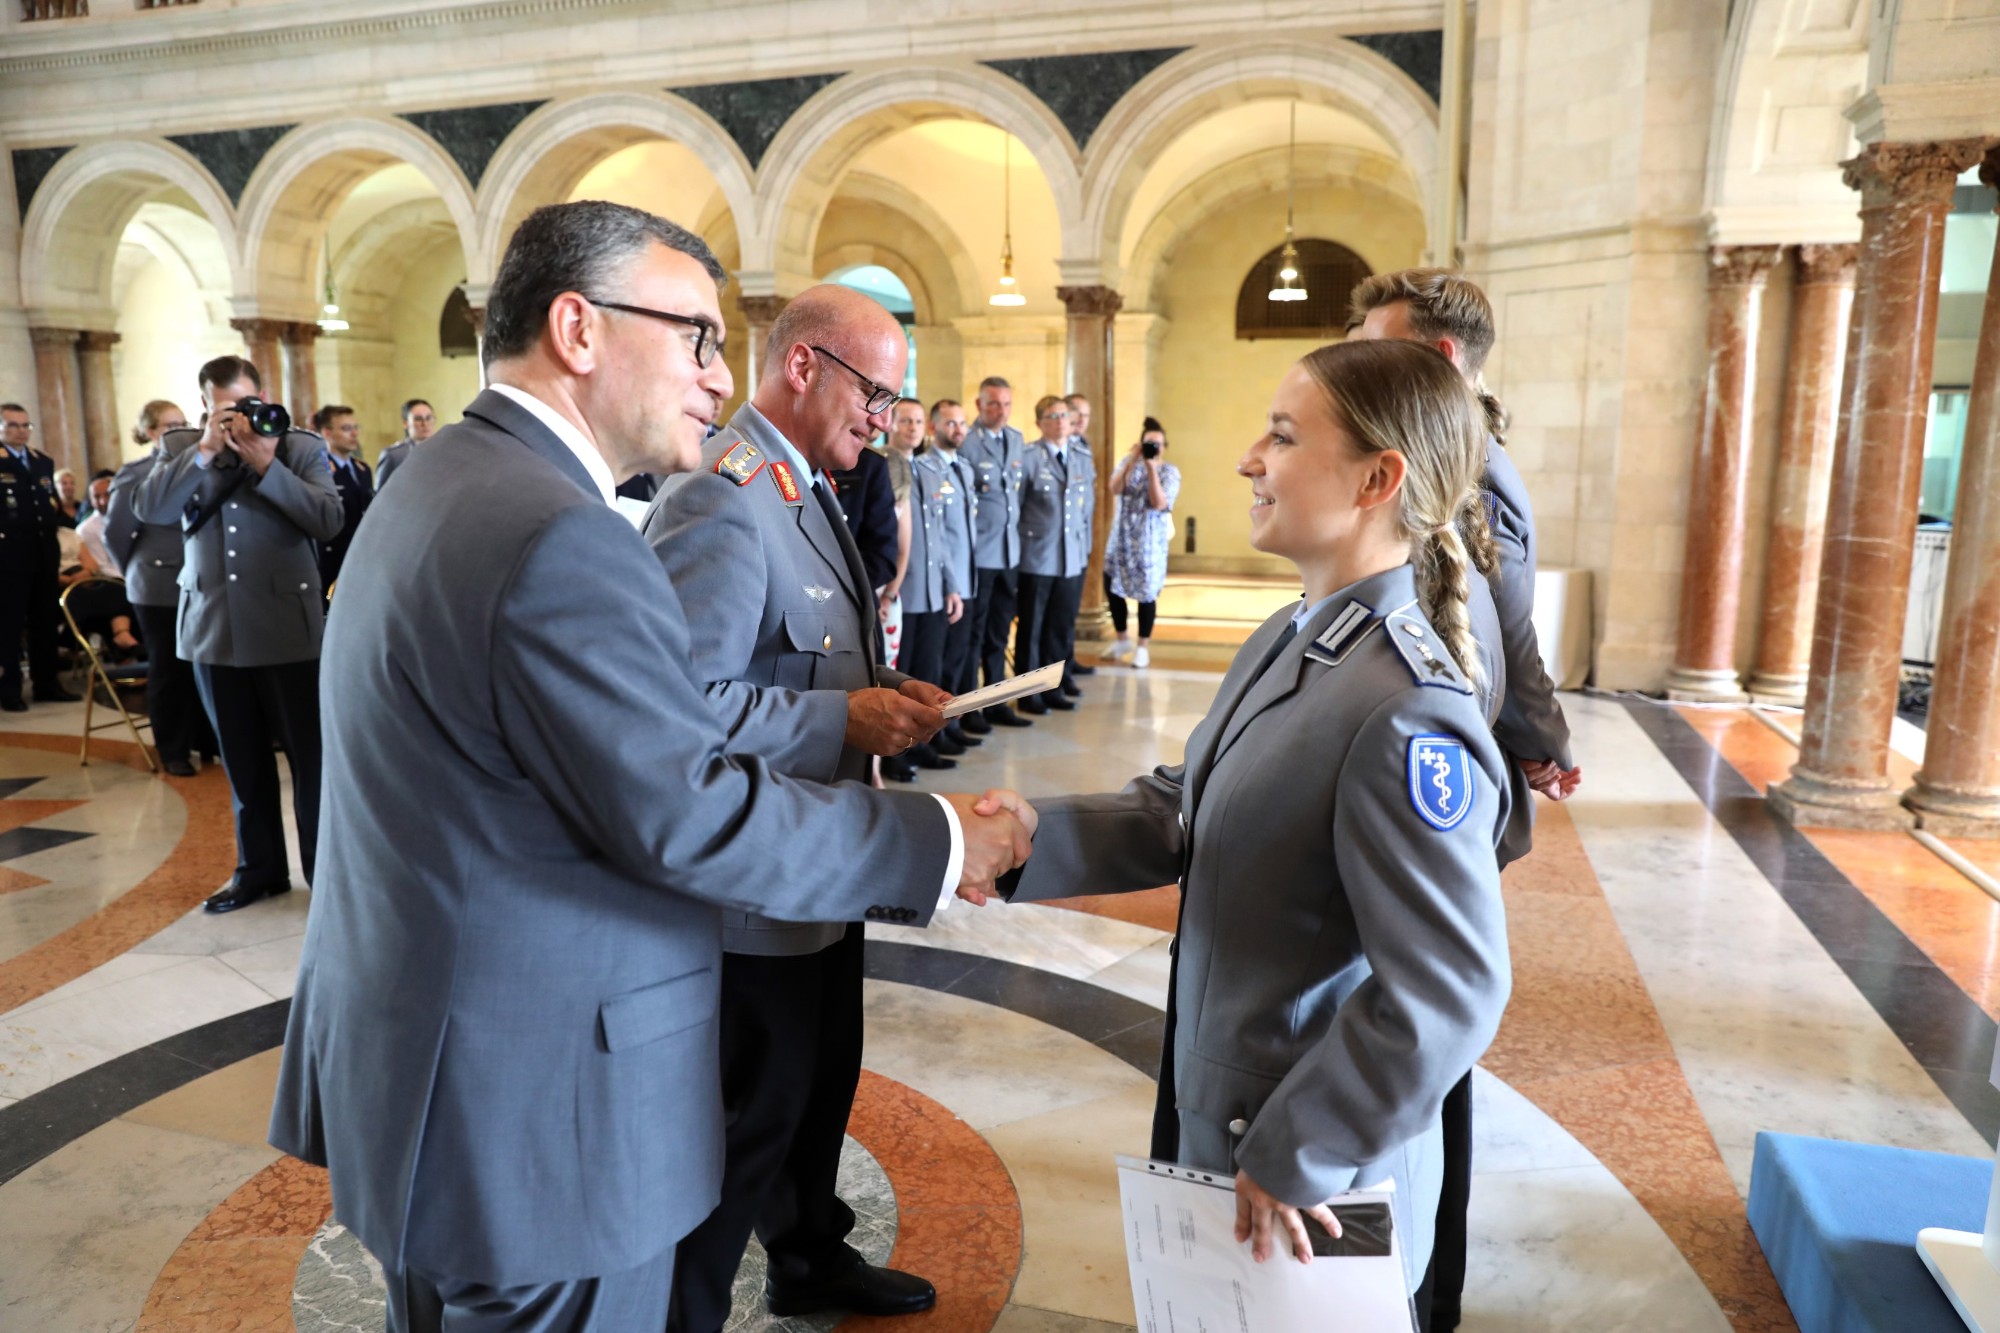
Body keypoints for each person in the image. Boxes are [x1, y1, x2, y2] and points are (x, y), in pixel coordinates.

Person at [271, 201, 1031, 1333]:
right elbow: (687, 813)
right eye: (696, 337)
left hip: (430, 1079)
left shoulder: (438, 482)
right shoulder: (558, 532)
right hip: (539, 1119)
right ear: (579, 329)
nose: (721, 378)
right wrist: (944, 840)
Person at [990, 339, 1513, 1318]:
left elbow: (1450, 989)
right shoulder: (1292, 636)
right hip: (1229, 1130)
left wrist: (1299, 1149)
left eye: (1280, 435)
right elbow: (1184, 804)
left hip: (1305, 1178)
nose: (1246, 459)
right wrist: (1029, 838)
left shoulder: (1402, 709)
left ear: (1376, 477)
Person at [644, 284, 961, 1330]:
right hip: (754, 879)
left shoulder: (811, 483)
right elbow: (679, 703)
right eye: (874, 393)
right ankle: (680, 1311)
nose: (883, 418)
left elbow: (818, 658)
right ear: (802, 366)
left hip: (822, 861)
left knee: (821, 1080)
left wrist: (881, 705)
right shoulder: (723, 497)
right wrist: (840, 722)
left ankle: (809, 1257)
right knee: (748, 1119)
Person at [1348, 267, 1580, 1332]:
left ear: (1435, 359)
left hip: (1427, 779)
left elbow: (1498, 625)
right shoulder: (1451, 446)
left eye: (1371, 341)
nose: (1355, 357)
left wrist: (1528, 736)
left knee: (1424, 1034)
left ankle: (1420, 1287)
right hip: (1410, 763)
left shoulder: (1473, 463)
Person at [134, 356, 342, 912]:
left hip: (286, 630)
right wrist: (204, 450)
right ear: (206, 404)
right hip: (213, 628)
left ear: (263, 394)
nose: (240, 418)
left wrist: (269, 466)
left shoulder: (297, 446)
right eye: (227, 408)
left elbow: (328, 520)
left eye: (247, 403)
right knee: (241, 761)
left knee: (309, 761)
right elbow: (151, 511)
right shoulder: (181, 447)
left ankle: (326, 875)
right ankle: (259, 871)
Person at [105, 399, 215, 775]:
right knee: (169, 667)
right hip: (158, 583)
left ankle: (206, 741)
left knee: (203, 662)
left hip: (199, 579)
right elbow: (116, 533)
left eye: (183, 422)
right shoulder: (138, 473)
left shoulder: (197, 461)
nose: (180, 430)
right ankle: (173, 750)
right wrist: (135, 571)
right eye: (170, 425)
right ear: (151, 432)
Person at [883, 398, 964, 775]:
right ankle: (897, 752)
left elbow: (941, 536)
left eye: (918, 421)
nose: (912, 428)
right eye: (905, 421)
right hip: (903, 588)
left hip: (931, 588)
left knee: (929, 673)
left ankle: (924, 743)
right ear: (890, 424)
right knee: (903, 678)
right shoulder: (881, 466)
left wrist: (950, 585)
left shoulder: (929, 470)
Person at [1013, 395, 1094, 715]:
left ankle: (1054, 686)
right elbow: (1016, 509)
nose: (1060, 421)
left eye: (1064, 415)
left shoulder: (1081, 456)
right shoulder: (1029, 457)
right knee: (1032, 628)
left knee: (1060, 627)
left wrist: (1084, 548)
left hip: (1071, 556)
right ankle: (1027, 692)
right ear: (1040, 423)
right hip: (1038, 556)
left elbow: (1087, 508)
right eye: (1052, 416)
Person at [958, 377, 1029, 729]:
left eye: (1006, 404)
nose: (1000, 412)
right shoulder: (967, 444)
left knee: (1000, 632)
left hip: (1009, 554)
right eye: (993, 404)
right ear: (979, 405)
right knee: (976, 633)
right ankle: (971, 707)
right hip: (980, 555)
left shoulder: (1016, 439)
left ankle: (996, 701)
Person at [0, 403, 80, 709]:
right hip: (9, 552)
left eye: (25, 425)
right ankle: (9, 688)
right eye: (12, 425)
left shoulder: (42, 462)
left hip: (43, 549)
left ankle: (47, 683)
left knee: (45, 619)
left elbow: (49, 505)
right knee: (9, 622)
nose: (20, 431)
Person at [924, 399, 981, 754]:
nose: (959, 430)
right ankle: (934, 732)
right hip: (948, 582)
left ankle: (953, 725)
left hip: (968, 576)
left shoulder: (965, 467)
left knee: (960, 658)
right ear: (934, 428)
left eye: (962, 424)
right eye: (951, 424)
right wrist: (950, 584)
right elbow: (937, 536)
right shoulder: (926, 469)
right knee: (940, 664)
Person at [1103, 416, 1181, 668]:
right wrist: (1133, 461)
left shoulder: (1169, 472)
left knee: (1147, 592)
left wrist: (1150, 469)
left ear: (1164, 447)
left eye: (1156, 444)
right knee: (1111, 585)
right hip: (1121, 537)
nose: (1152, 448)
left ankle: (1143, 646)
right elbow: (1114, 488)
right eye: (1148, 443)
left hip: (1149, 543)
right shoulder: (1128, 462)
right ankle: (1122, 638)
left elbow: (1160, 503)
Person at [314, 404, 373, 592]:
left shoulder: (362, 470)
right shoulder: (320, 471)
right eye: (346, 429)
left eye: (356, 428)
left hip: (360, 556)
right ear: (327, 433)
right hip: (332, 561)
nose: (354, 434)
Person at [373, 398, 436, 489]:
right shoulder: (394, 455)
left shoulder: (443, 451)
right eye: (418, 419)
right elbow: (380, 494)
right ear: (406, 423)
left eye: (429, 418)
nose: (425, 423)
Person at [74, 471, 118, 576]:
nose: (103, 501)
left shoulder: (130, 518)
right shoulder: (86, 529)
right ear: (91, 501)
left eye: (107, 495)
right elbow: (103, 568)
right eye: (97, 497)